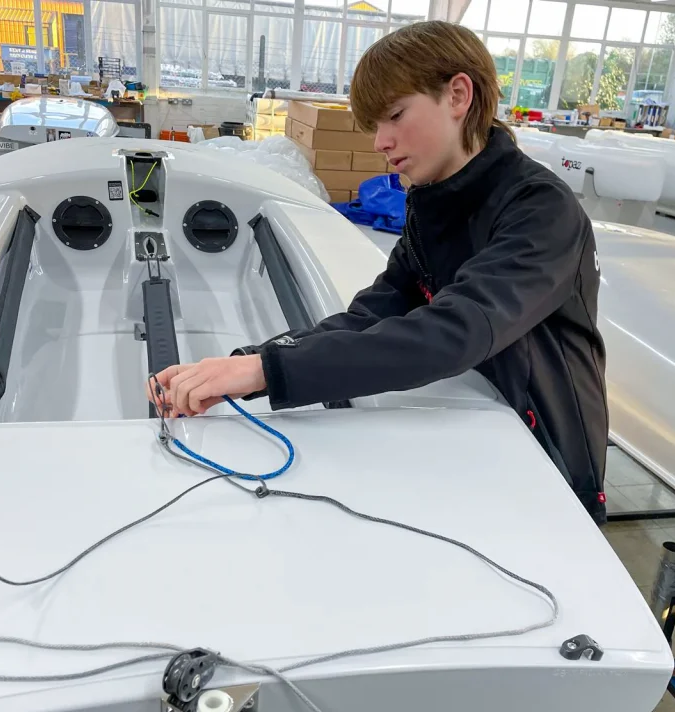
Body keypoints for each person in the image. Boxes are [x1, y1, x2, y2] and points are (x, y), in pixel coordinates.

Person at [149, 20, 609, 524]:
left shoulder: (540, 208)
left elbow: (455, 332)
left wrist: (265, 371)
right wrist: (251, 364)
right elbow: (371, 315)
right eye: (374, 126)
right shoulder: (432, 204)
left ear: (458, 95)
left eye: (394, 115)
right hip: (472, 439)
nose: (380, 142)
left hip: (546, 462)